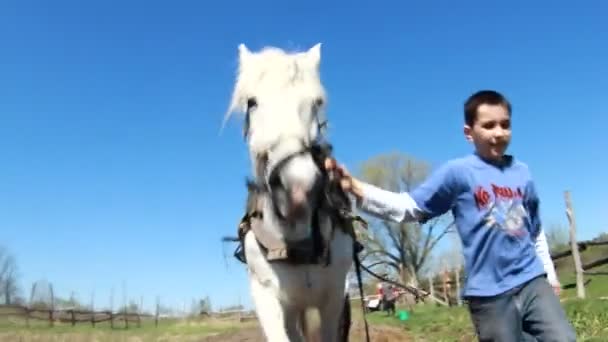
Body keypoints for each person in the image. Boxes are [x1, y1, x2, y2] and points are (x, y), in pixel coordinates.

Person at [326, 90, 576, 341]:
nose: (498, 132)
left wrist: (550, 275)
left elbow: (534, 229)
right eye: (488, 125)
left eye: (505, 124)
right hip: (490, 295)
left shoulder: (522, 172)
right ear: (469, 132)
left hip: (532, 280)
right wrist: (354, 187)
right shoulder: (458, 173)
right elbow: (408, 207)